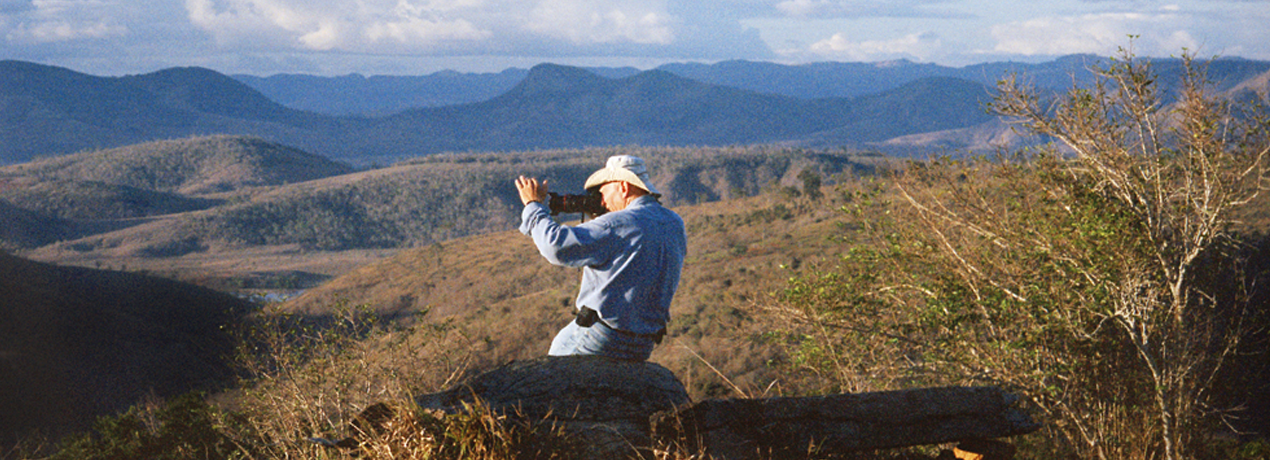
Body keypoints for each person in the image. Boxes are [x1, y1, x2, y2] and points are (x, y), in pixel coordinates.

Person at [515, 155, 686, 361]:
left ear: (623, 187)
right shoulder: (674, 222)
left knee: (549, 383)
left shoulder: (617, 224)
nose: (601, 199)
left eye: (603, 190)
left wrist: (533, 206)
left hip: (600, 338)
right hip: (643, 344)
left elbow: (555, 246)